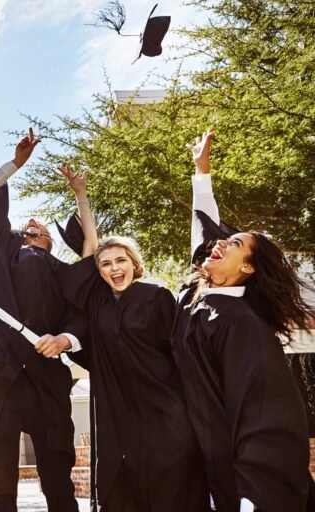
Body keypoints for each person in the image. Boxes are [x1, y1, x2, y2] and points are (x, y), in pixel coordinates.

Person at [172, 130, 313, 511]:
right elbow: (203, 232)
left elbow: (266, 415)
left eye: (233, 244)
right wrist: (201, 172)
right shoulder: (195, 294)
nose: (219, 243)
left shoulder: (244, 324)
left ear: (248, 267)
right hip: (200, 456)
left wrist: (255, 493)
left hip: (242, 475)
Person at [57, 167, 209, 511]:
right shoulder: (97, 302)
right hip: (118, 408)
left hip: (164, 405)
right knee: (122, 483)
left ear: (135, 264)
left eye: (121, 260)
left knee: (172, 482)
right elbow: (90, 247)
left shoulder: (156, 296)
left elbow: (180, 350)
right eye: (106, 264)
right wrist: (81, 195)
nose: (114, 268)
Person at [0, 128, 87, 511]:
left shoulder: (63, 273)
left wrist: (65, 339)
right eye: (28, 224)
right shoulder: (3, 248)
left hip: (46, 382)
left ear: (51, 239)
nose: (34, 225)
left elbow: (82, 313)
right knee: (0, 489)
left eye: (42, 227)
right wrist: (16, 164)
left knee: (58, 483)